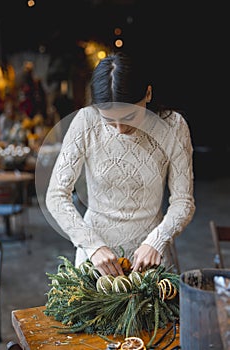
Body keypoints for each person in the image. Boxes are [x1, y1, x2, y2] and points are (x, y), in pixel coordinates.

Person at [45, 51, 195, 277]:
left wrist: (157, 240)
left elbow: (183, 201)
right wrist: (92, 244)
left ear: (148, 93)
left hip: (151, 259)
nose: (120, 129)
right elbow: (56, 195)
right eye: (109, 120)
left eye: (128, 117)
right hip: (95, 259)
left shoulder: (173, 126)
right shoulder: (86, 121)